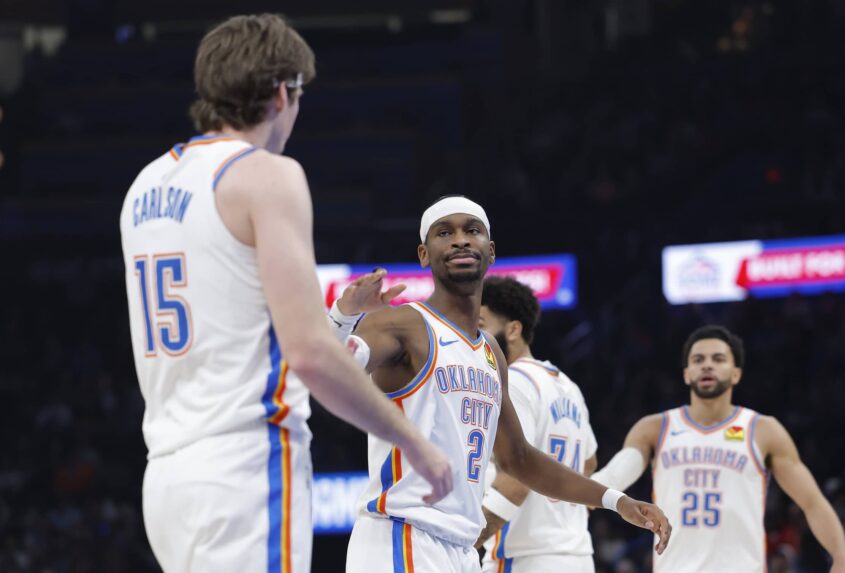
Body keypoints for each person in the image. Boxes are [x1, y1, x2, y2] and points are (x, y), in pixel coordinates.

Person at [119, 14, 452, 573]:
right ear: (282, 92)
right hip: (245, 467)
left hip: (168, 477)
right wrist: (415, 442)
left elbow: (237, 322)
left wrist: (343, 314)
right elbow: (308, 355)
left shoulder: (144, 186)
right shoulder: (268, 175)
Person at [331, 195, 671, 573]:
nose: (460, 240)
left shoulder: (490, 351)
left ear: (490, 251)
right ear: (424, 255)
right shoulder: (401, 324)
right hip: (402, 535)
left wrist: (615, 501)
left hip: (462, 548)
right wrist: (342, 317)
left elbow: (519, 459)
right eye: (445, 232)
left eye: (471, 230)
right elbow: (329, 370)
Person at [591, 325, 845, 573]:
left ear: (736, 372)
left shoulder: (763, 430)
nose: (707, 364)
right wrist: (592, 486)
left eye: (718, 359)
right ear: (686, 373)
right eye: (698, 360)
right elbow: (619, 471)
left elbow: (811, 501)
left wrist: (842, 554)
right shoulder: (654, 428)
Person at [474, 276, 599, 573]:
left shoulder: (512, 383)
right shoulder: (567, 385)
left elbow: (517, 479)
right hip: (576, 556)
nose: (471, 337)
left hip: (526, 557)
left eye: (480, 326)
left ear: (513, 330)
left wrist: (465, 542)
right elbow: (589, 462)